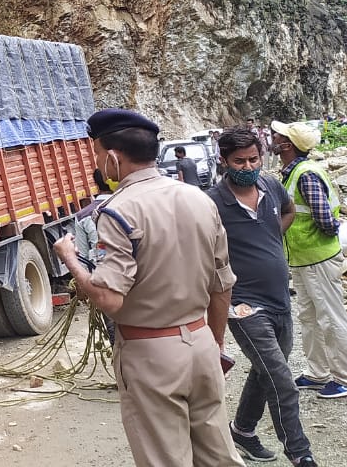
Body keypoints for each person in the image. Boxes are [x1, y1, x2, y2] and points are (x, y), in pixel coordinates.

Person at [54, 109, 243, 467]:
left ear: (112, 158)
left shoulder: (116, 211)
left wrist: (70, 259)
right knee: (219, 455)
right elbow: (222, 284)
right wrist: (214, 343)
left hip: (150, 351)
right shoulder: (200, 199)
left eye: (96, 154)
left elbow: (109, 298)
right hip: (202, 341)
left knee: (165, 458)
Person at [206, 127, 316, 466]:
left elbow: (288, 211)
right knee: (282, 381)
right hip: (243, 305)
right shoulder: (211, 203)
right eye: (239, 161)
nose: (248, 166)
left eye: (254, 158)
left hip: (280, 298)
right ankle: (300, 454)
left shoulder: (270, 186)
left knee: (265, 370)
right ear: (223, 161)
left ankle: (242, 430)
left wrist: (269, 238)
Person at [269, 120, 347, 399]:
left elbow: (323, 217)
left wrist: (331, 233)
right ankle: (318, 373)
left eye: (279, 135)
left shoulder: (306, 174)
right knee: (309, 317)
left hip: (318, 258)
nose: (273, 137)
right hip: (303, 258)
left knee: (330, 317)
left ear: (287, 145)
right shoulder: (294, 171)